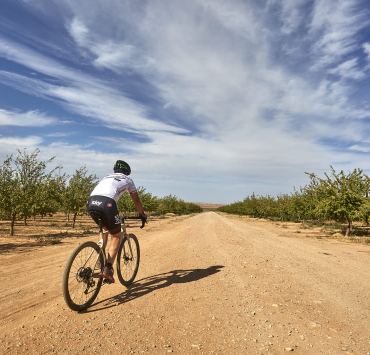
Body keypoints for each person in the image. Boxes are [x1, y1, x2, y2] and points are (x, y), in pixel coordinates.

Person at [87, 160, 147, 283]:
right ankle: (108, 269)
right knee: (116, 236)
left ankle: (99, 261)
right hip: (107, 204)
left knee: (104, 232)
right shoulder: (128, 180)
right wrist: (142, 214)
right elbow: (136, 200)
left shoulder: (106, 177)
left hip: (91, 202)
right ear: (127, 172)